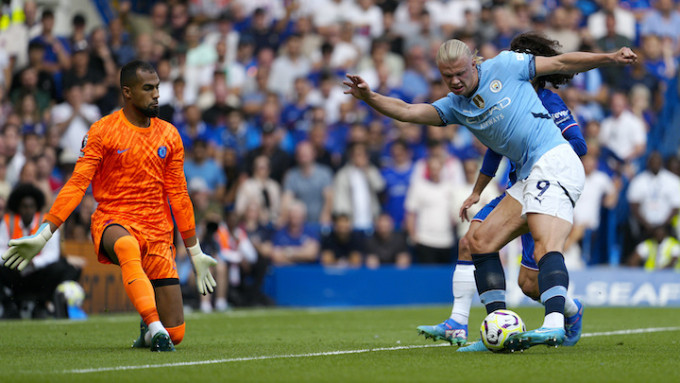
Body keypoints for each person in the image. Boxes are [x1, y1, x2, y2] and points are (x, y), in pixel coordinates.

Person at [344, 34, 636, 350]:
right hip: (525, 177)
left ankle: (554, 324)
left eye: (460, 73)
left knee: (544, 243)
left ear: (474, 62)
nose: (455, 81)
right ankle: (500, 327)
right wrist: (370, 97)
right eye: (447, 77)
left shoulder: (507, 65)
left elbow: (562, 62)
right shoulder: (455, 106)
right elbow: (408, 111)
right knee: (478, 241)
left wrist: (610, 57)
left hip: (555, 161)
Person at [2, 61, 218, 352]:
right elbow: (77, 184)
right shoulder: (103, 131)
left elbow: (179, 195)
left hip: (157, 231)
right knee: (128, 246)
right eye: (148, 88)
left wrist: (195, 250)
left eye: (157, 87)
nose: (156, 94)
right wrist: (44, 234)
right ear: (127, 92)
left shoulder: (169, 135)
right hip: (112, 221)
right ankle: (154, 329)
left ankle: (150, 331)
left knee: (177, 332)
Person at [416, 32, 590, 350]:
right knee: (474, 239)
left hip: (547, 182)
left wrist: (542, 146)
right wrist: (476, 191)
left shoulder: (548, 101)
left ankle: (569, 310)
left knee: (529, 284)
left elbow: (579, 144)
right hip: (517, 188)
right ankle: (461, 321)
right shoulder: (503, 96)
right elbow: (495, 148)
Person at [0, 183, 81, 319]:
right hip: (14, 272)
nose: (27, 210)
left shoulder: (46, 222)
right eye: (24, 207)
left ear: (36, 207)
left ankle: (43, 304)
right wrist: (15, 260)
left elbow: (52, 254)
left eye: (31, 206)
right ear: (18, 208)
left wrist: (33, 262)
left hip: (39, 273)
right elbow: (1, 249)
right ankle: (9, 306)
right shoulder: (8, 222)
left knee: (65, 268)